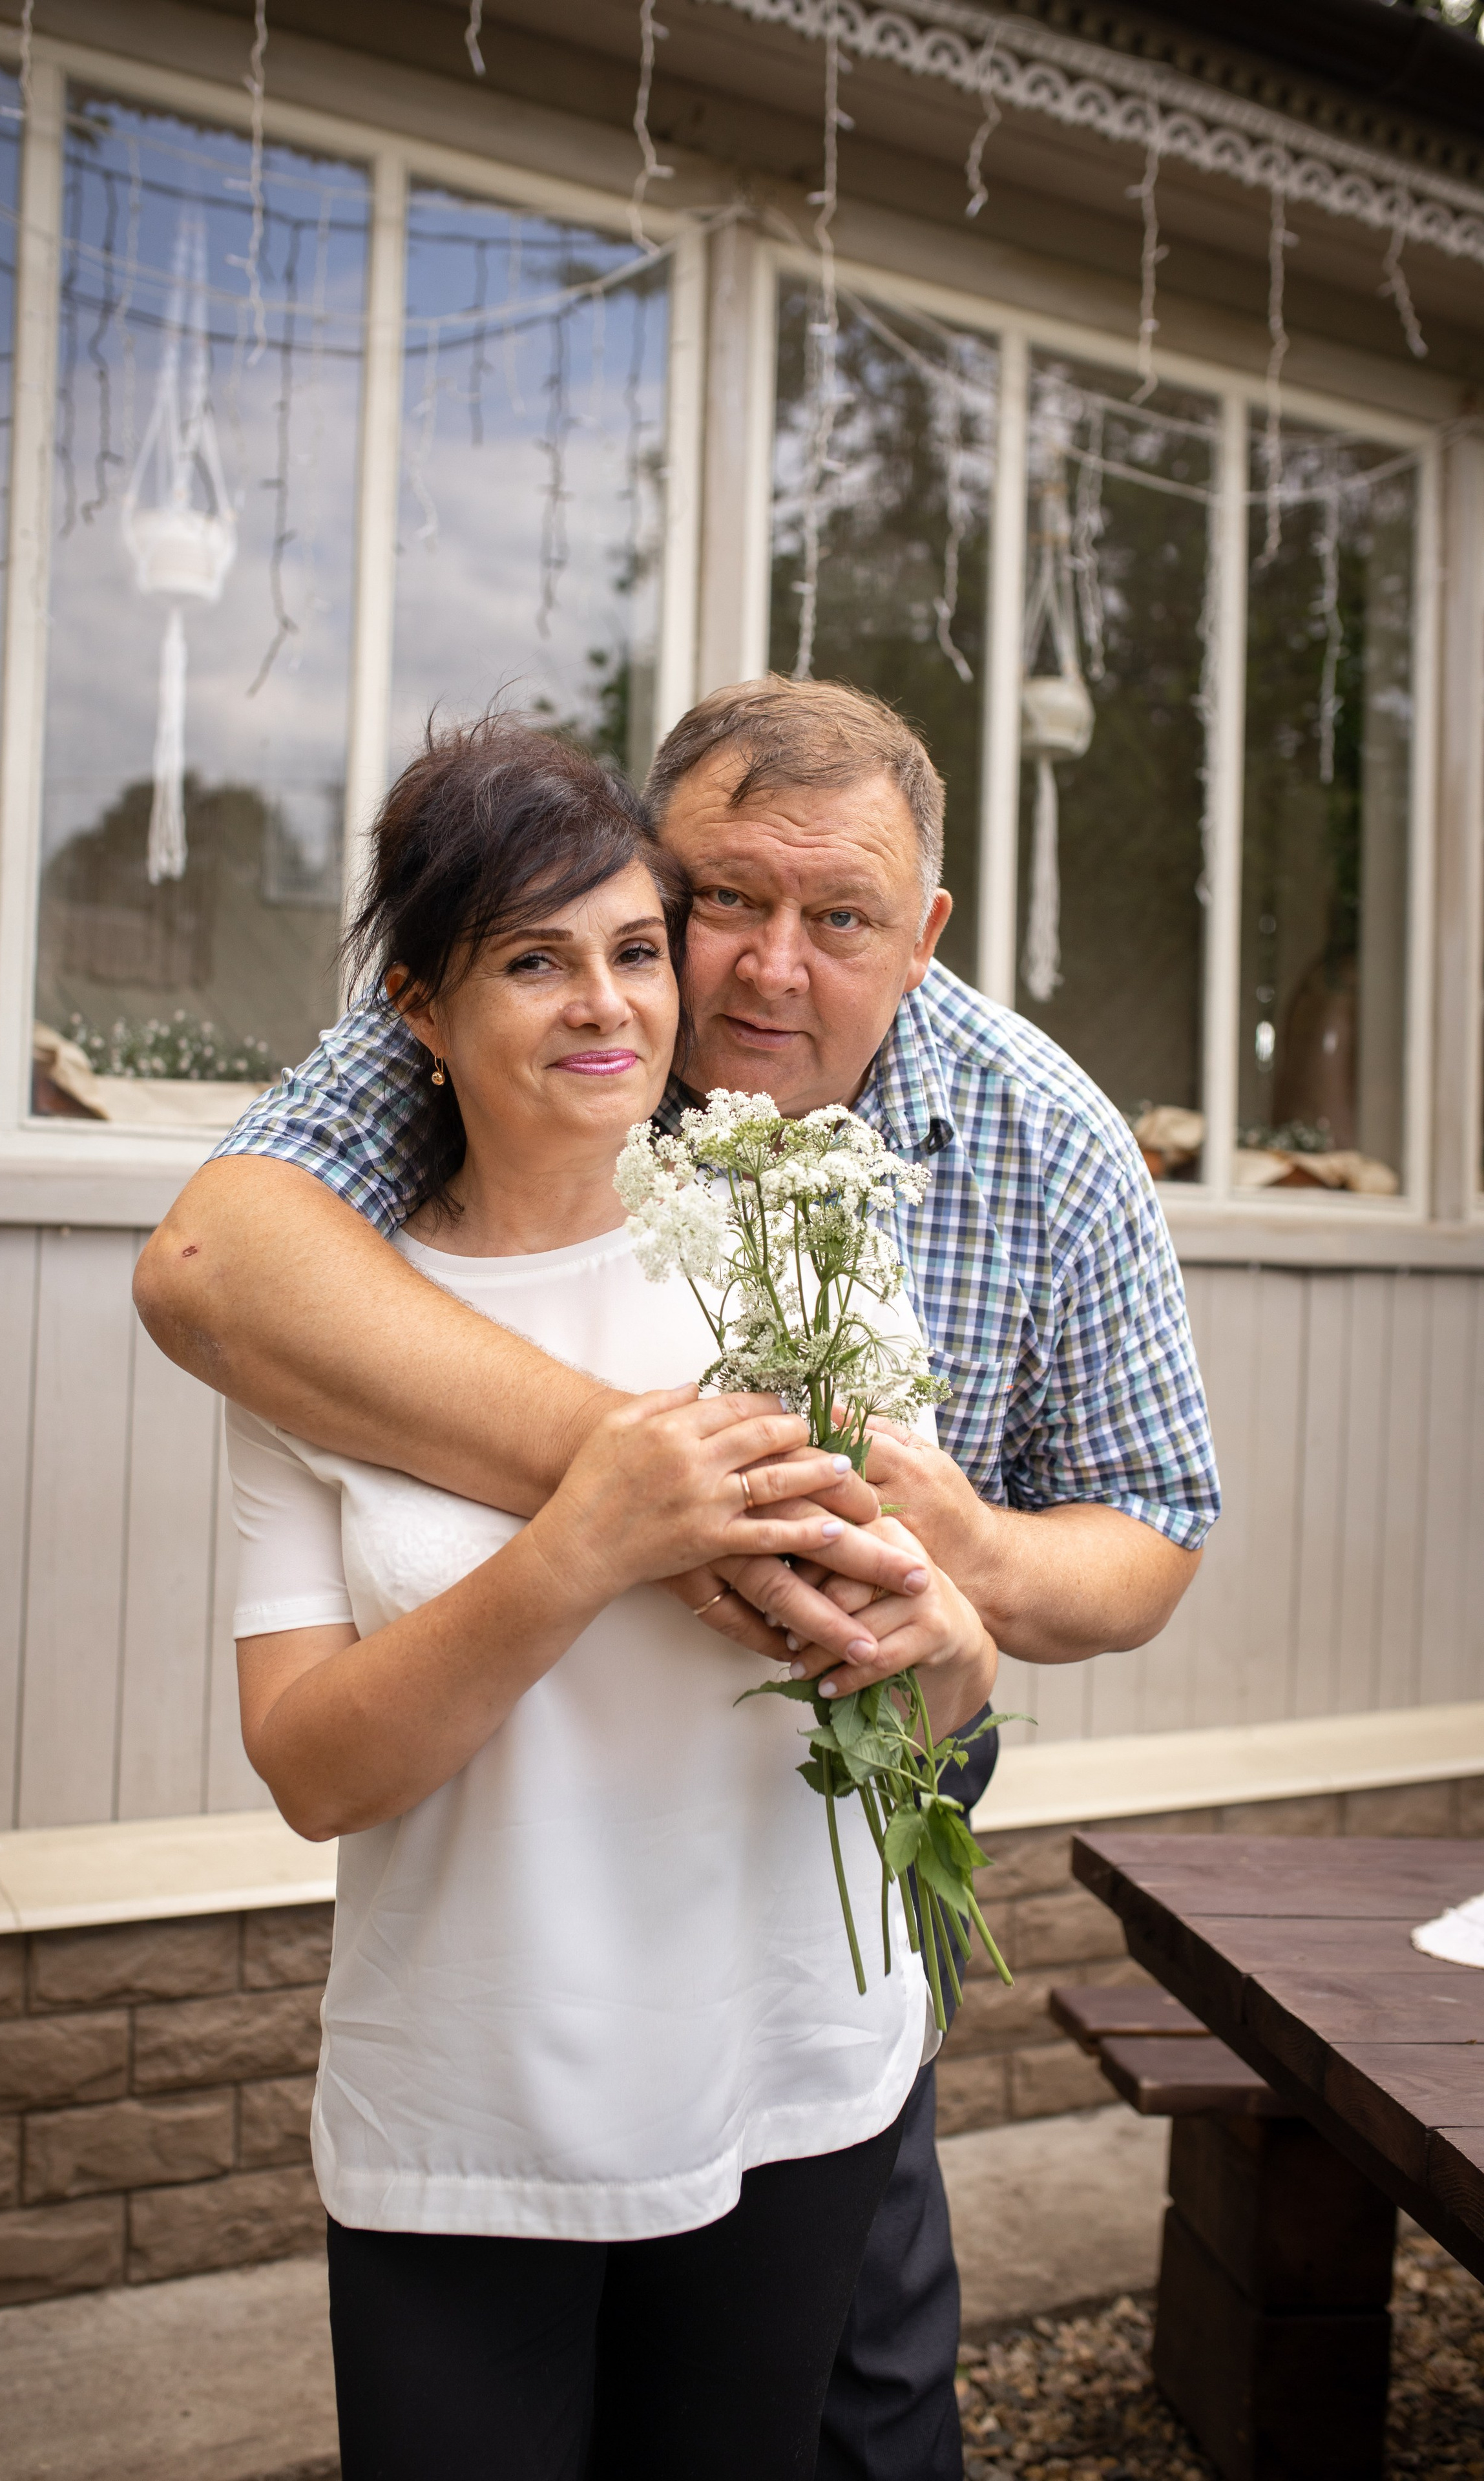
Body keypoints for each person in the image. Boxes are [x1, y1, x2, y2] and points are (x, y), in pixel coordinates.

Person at [136, 676, 1221, 2481]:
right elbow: (213, 1270)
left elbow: (1149, 1535)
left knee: (865, 2364)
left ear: (925, 932)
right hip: (507, 1953)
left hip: (851, 1814)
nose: (760, 973)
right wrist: (650, 1496)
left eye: (844, 919)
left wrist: (961, 1566)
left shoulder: (1036, 1144)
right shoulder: (499, 1020)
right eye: (723, 903)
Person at [224, 718, 998, 2481]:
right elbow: (313, 1774)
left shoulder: (800, 1254)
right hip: (466, 2117)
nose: (607, 1005)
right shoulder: (337, 1325)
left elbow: (911, 1698)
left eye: (637, 950)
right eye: (532, 960)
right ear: (418, 1006)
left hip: (783, 2088)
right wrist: (585, 1536)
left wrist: (951, 1654)